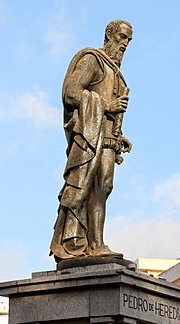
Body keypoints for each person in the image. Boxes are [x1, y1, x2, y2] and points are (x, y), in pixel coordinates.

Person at [50, 20, 133, 260]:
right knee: (85, 187)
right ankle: (83, 243)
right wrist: (107, 106)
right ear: (109, 35)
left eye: (128, 39)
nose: (125, 43)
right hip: (89, 138)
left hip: (107, 138)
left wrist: (120, 135)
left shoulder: (116, 73)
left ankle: (96, 244)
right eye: (122, 37)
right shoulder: (93, 60)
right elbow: (71, 92)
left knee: (104, 188)